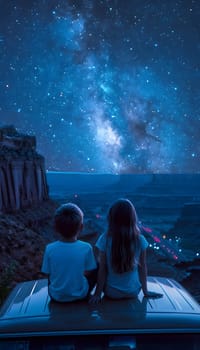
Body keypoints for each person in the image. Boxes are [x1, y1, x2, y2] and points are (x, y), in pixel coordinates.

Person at [90, 198, 162, 303]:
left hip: (111, 293)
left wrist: (97, 294)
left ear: (111, 218)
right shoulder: (140, 239)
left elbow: (103, 269)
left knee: (98, 264)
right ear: (132, 218)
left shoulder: (104, 239)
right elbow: (142, 266)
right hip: (133, 292)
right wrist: (145, 291)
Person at [41, 203, 97, 302]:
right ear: (81, 227)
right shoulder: (86, 247)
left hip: (56, 296)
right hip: (81, 295)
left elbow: (47, 273)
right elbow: (89, 271)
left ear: (55, 228)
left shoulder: (49, 248)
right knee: (98, 266)